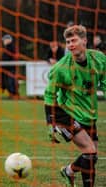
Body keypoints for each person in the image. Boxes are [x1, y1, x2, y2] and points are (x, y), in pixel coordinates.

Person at [44, 25, 106, 187]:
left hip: (88, 113)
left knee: (92, 157)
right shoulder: (61, 68)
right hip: (65, 112)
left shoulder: (99, 59)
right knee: (90, 153)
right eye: (68, 41)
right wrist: (50, 122)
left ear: (84, 41)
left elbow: (105, 83)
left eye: (74, 40)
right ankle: (71, 173)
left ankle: (69, 171)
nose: (70, 44)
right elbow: (49, 94)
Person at [1, 34, 19, 98]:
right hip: (7, 68)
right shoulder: (7, 47)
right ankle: (11, 94)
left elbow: (11, 57)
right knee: (8, 82)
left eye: (4, 40)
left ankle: (14, 94)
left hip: (10, 68)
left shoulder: (11, 47)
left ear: (9, 40)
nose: (3, 41)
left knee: (11, 81)